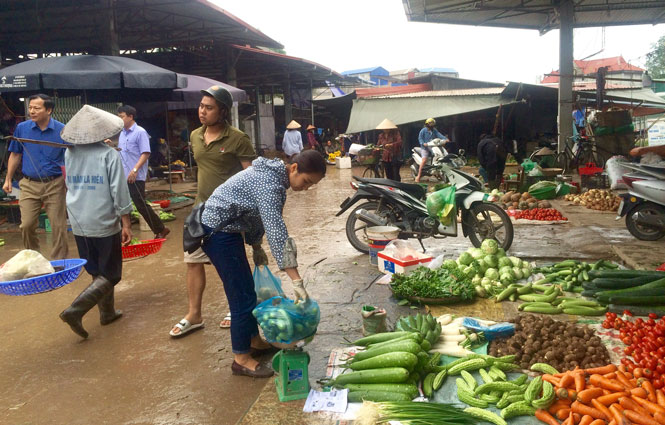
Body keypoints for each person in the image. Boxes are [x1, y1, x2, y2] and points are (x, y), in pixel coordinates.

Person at [200, 150, 326, 377]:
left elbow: (255, 215)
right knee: (241, 296)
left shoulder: (275, 178)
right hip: (217, 233)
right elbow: (276, 231)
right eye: (306, 182)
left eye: (310, 186)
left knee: (247, 291)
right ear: (294, 168)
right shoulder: (269, 182)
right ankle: (241, 358)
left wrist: (256, 245)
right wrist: (296, 280)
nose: (305, 188)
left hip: (228, 229)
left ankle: (253, 340)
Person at [169, 86, 256, 338]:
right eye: (201, 106)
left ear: (223, 111)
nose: (202, 111)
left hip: (228, 214)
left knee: (230, 265)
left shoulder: (238, 138)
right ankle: (194, 314)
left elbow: (250, 176)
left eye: (209, 108)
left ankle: (235, 309)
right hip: (199, 210)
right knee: (193, 262)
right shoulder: (195, 135)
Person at [58, 105, 133, 339]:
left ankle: (107, 312)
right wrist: (126, 222)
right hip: (102, 219)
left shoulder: (70, 152)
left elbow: (70, 184)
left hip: (79, 218)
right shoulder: (109, 154)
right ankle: (75, 310)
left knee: (95, 269)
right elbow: (119, 191)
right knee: (111, 273)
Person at [2, 94, 69, 260]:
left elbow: (71, 158)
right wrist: (8, 178)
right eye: (30, 107)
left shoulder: (62, 130)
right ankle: (35, 259)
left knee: (58, 226)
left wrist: (70, 182)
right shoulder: (22, 128)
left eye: (36, 108)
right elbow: (15, 154)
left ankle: (59, 262)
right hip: (29, 184)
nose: (32, 111)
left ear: (49, 110)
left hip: (55, 183)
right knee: (27, 225)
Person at [115, 105, 170, 240]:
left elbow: (145, 153)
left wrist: (135, 170)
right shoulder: (122, 133)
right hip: (124, 174)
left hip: (135, 175)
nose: (119, 119)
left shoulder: (140, 132)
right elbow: (123, 151)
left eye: (121, 116)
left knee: (140, 203)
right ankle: (125, 231)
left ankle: (161, 229)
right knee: (122, 202)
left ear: (130, 116)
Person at [415, 118, 448, 182]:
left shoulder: (434, 130)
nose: (432, 125)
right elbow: (420, 138)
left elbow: (439, 135)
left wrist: (445, 139)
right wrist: (423, 143)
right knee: (424, 160)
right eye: (431, 123)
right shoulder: (423, 130)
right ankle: (418, 176)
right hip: (425, 148)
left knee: (441, 155)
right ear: (427, 124)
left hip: (433, 146)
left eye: (433, 123)